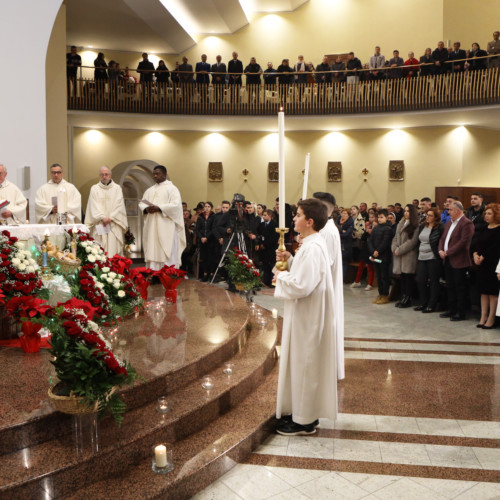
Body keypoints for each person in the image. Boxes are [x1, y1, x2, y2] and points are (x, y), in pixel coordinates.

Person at [274, 199, 336, 435]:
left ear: (309, 222)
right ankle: (301, 413)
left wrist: (280, 277)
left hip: (308, 317)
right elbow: (305, 273)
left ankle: (304, 421)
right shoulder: (311, 244)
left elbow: (302, 285)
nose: (293, 219)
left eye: (298, 215)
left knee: (306, 364)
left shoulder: (312, 247)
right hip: (307, 314)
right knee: (303, 364)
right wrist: (289, 260)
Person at [313, 191, 345, 381]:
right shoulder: (323, 229)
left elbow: (326, 263)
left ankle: (327, 369)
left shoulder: (328, 232)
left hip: (325, 290)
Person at [139, 165, 186, 270]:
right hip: (152, 226)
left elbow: (176, 206)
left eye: (158, 174)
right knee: (152, 248)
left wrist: (159, 208)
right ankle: (153, 273)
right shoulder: (149, 190)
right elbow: (142, 203)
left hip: (166, 226)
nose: (155, 176)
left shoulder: (172, 189)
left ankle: (168, 274)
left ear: (164, 174)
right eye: (154, 174)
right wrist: (146, 209)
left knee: (166, 249)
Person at [438, 200, 474, 321]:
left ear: (458, 211)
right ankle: (451, 309)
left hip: (459, 260)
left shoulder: (466, 223)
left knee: (460, 287)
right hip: (447, 259)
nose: (448, 212)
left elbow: (463, 242)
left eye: (451, 210)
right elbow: (443, 238)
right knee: (450, 286)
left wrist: (447, 252)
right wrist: (440, 250)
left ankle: (461, 312)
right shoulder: (449, 223)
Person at [85, 166, 128, 257]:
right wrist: (102, 217)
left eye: (106, 174)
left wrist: (111, 218)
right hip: (100, 223)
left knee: (113, 250)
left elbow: (119, 204)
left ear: (110, 175)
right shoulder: (95, 188)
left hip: (113, 223)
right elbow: (93, 205)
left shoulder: (117, 188)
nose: (104, 176)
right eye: (102, 175)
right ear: (99, 175)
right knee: (100, 249)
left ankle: (114, 269)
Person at [472, 204, 500, 328]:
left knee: (492, 293)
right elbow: (477, 243)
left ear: (496, 215)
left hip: (493, 264)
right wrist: (475, 254)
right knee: (483, 292)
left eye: (489, 213)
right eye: (486, 213)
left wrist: (483, 256)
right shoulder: (484, 227)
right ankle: (483, 316)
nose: (486, 216)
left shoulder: (499, 229)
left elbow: (496, 247)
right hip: (481, 264)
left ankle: (491, 318)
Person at [414, 207, 444, 313]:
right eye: (427, 215)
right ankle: (423, 303)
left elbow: (441, 242)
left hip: (433, 257)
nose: (427, 217)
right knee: (420, 280)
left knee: (433, 282)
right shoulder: (423, 226)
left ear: (436, 217)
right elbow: (419, 241)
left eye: (430, 215)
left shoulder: (440, 228)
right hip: (421, 257)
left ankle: (432, 304)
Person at [392, 204, 420, 308]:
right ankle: (403, 296)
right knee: (402, 277)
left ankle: (408, 298)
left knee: (408, 277)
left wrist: (399, 250)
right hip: (399, 254)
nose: (406, 213)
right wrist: (394, 248)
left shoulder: (415, 225)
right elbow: (395, 237)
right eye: (405, 211)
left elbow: (412, 242)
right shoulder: (401, 223)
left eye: (408, 211)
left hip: (409, 255)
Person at [368, 209, 393, 304]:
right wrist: (372, 251)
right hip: (375, 256)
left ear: (386, 218)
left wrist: (378, 251)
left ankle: (385, 295)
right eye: (378, 217)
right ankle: (380, 294)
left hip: (384, 257)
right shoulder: (376, 228)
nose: (379, 219)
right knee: (378, 276)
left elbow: (385, 242)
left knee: (384, 276)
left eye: (381, 217)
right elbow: (370, 240)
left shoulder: (388, 229)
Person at [351, 211, 377, 291]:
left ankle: (370, 284)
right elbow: (362, 238)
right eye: (370, 217)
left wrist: (372, 232)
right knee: (361, 265)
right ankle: (357, 281)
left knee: (370, 267)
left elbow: (376, 239)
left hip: (372, 249)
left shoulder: (378, 227)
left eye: (372, 217)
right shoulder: (368, 226)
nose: (371, 219)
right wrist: (366, 231)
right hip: (365, 248)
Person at [257, 209, 279, 287]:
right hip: (263, 249)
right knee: (264, 265)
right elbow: (259, 235)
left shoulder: (275, 225)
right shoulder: (261, 225)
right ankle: (265, 281)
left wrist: (265, 244)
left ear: (270, 216)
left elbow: (274, 237)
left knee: (272, 265)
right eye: (263, 215)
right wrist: (260, 244)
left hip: (271, 248)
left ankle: (272, 281)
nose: (263, 217)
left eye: (265, 215)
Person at [196, 202, 215, 282]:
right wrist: (201, 237)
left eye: (208, 206)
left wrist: (207, 237)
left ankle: (211, 274)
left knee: (211, 257)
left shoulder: (213, 216)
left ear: (211, 208)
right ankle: (205, 274)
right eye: (206, 206)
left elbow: (213, 229)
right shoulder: (200, 217)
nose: (207, 208)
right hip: (202, 240)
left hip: (210, 240)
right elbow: (197, 229)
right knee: (203, 258)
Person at [338, 208, 353, 278]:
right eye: (342, 213)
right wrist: (342, 231)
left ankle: (342, 278)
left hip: (346, 244)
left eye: (345, 213)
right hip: (338, 243)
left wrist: (338, 234)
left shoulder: (350, 222)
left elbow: (346, 234)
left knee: (344, 261)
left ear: (348, 215)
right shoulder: (337, 220)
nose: (343, 215)